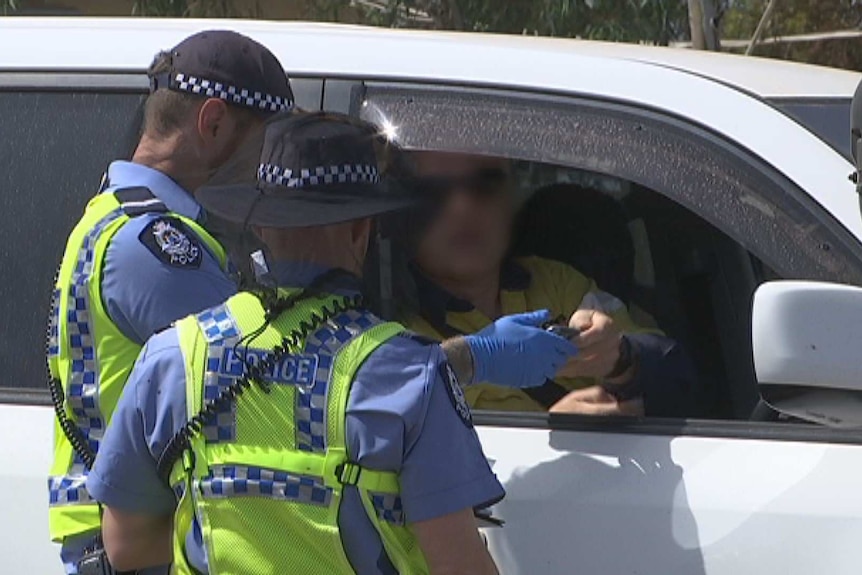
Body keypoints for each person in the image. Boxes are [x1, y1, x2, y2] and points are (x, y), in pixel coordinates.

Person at [85, 112, 577, 574]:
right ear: (363, 231)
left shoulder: (174, 356)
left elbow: (126, 545)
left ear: (260, 226)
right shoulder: (408, 374)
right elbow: (459, 565)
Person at [46, 30, 293, 574]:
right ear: (213, 123)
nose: (271, 168)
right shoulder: (155, 246)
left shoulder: (121, 217)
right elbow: (273, 381)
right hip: (140, 547)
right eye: (268, 144)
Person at [400, 151, 697, 417]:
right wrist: (545, 437)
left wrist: (622, 360)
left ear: (510, 198)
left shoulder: (556, 282)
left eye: (484, 184)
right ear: (404, 211)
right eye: (435, 191)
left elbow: (676, 374)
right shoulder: (390, 331)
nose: (462, 207)